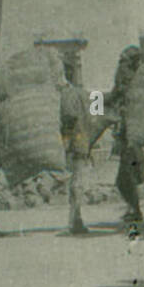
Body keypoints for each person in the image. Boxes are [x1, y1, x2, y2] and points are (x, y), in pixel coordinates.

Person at [107, 46, 144, 223]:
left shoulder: (129, 89)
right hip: (132, 138)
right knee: (128, 176)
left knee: (124, 178)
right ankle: (134, 209)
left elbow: (116, 93)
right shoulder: (138, 84)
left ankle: (136, 211)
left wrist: (93, 101)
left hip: (130, 138)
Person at [59, 65, 91, 236]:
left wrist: (64, 142)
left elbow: (69, 119)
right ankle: (76, 221)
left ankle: (74, 222)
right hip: (85, 141)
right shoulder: (86, 93)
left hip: (75, 143)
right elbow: (97, 114)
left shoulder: (67, 94)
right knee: (78, 182)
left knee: (75, 184)